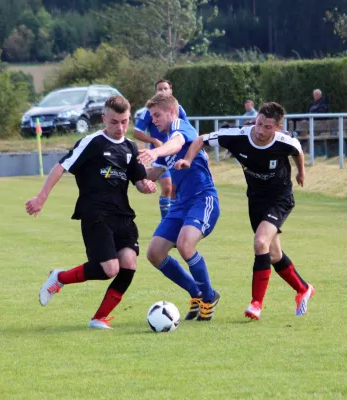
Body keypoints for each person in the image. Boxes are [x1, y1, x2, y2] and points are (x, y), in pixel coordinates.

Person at [25, 96, 157, 329]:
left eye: (125, 122)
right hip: (95, 212)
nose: (120, 128)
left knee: (129, 266)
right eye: (115, 122)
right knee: (110, 269)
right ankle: (59, 277)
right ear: (104, 118)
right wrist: (41, 197)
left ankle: (99, 318)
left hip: (122, 215)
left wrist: (146, 186)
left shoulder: (129, 147)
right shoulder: (92, 142)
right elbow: (61, 167)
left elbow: (138, 180)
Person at [175, 102, 314, 321]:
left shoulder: (284, 142)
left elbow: (297, 150)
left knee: (260, 243)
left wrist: (301, 173)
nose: (260, 130)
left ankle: (256, 304)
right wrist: (187, 159)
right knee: (274, 253)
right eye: (259, 123)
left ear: (277, 128)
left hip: (280, 199)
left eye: (267, 127)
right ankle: (303, 289)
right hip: (256, 200)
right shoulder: (237, 136)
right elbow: (201, 139)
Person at [137, 92, 221, 322]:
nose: (153, 120)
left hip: (203, 199)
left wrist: (154, 150)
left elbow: (177, 144)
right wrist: (131, 173)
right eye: (151, 116)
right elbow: (152, 173)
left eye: (157, 115)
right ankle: (195, 292)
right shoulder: (166, 143)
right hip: (180, 205)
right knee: (154, 253)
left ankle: (208, 296)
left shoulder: (182, 127)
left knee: (185, 244)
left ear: (172, 112)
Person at [133, 79, 188, 219]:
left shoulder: (178, 113)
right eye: (159, 89)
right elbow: (137, 132)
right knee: (168, 187)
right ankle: (167, 222)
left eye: (165, 88)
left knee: (174, 189)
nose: (162, 91)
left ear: (171, 91)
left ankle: (173, 221)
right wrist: (153, 141)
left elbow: (185, 134)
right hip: (159, 155)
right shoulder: (149, 111)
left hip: (172, 154)